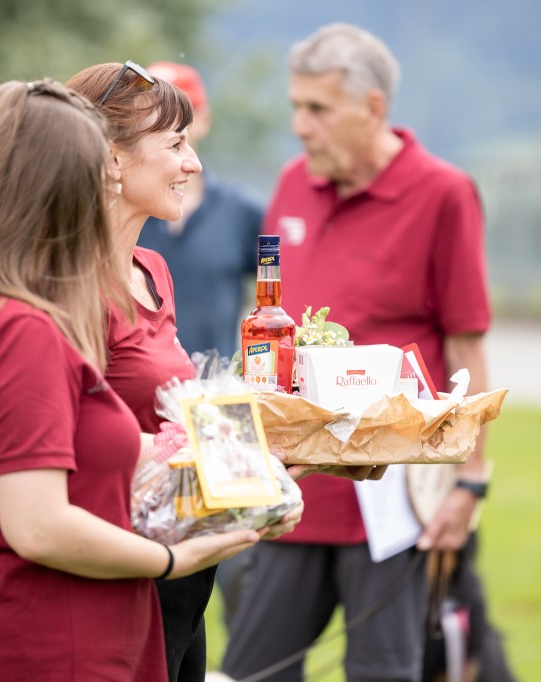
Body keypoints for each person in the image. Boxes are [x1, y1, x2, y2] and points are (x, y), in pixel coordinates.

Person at [0, 77, 262, 681]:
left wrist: (252, 464)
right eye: (95, 167)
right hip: (51, 644)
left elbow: (92, 453)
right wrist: (172, 559)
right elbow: (38, 525)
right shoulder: (22, 328)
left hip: (59, 636)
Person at [221, 24, 518, 682]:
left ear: (373, 107)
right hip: (294, 491)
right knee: (252, 672)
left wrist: (470, 481)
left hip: (393, 502)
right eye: (296, 106)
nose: (300, 125)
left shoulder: (443, 193)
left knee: (384, 673)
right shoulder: (292, 183)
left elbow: (467, 344)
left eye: (318, 109)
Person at [63, 62, 303, 682]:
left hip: (183, 579)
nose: (193, 164)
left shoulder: (151, 271)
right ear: (112, 159)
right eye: (175, 145)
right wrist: (232, 459)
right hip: (117, 582)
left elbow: (165, 424)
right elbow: (75, 452)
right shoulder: (65, 289)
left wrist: (265, 457)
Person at [136, 61, 264, 359]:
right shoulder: (123, 211)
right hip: (139, 382)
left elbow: (285, 289)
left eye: (182, 116)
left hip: (217, 383)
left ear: (204, 119)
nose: (167, 127)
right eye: (152, 118)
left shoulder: (241, 212)